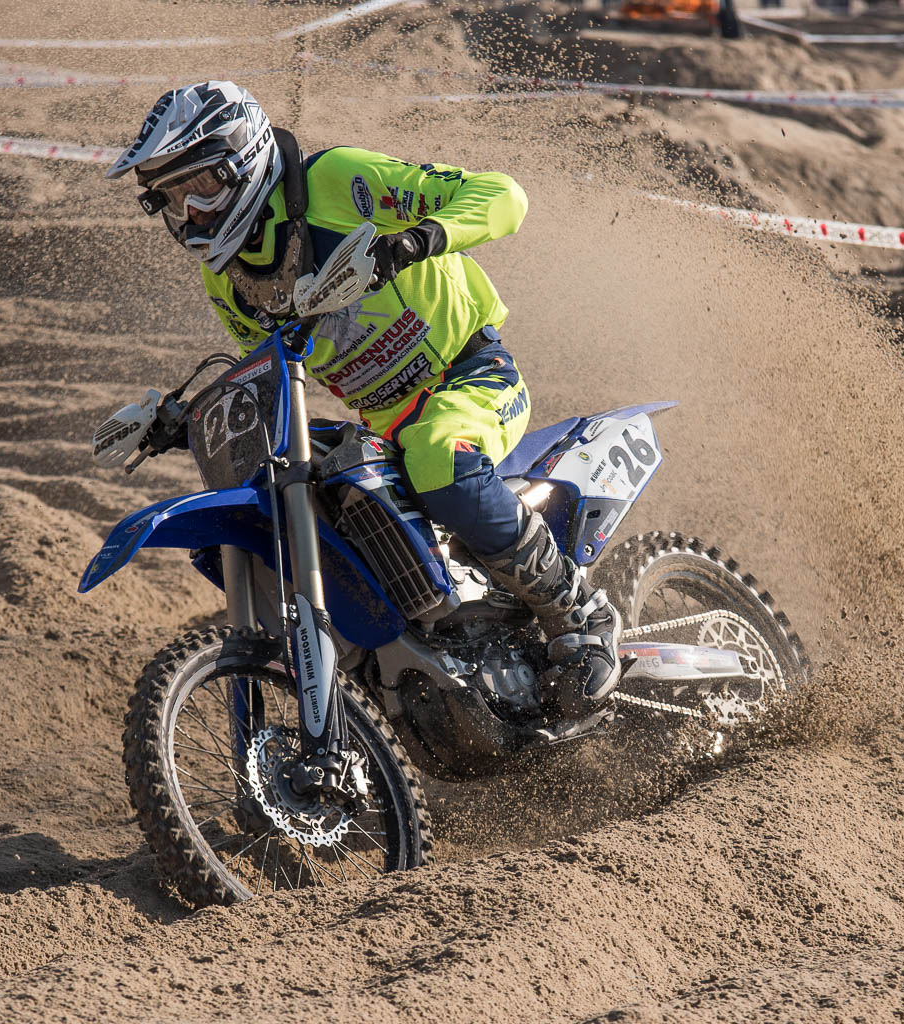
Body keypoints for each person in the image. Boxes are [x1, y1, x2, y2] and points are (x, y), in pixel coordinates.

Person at [107, 81, 623, 719]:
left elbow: (504, 196)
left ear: (243, 159)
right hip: (385, 425)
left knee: (437, 452)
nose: (190, 214)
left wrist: (417, 239)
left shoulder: (337, 182)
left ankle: (580, 610)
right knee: (306, 484)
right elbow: (266, 372)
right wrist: (183, 421)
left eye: (200, 187)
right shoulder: (227, 282)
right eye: (170, 199)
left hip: (469, 377)